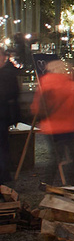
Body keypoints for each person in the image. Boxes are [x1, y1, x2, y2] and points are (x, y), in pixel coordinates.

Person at [31, 60, 74, 185]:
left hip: (52, 126)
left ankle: (47, 181)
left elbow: (36, 107)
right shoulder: (69, 83)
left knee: (56, 156)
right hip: (69, 125)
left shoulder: (44, 82)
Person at [0, 49, 21, 183]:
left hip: (2, 115)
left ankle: (3, 176)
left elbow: (7, 94)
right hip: (4, 114)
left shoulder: (7, 73)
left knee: (2, 146)